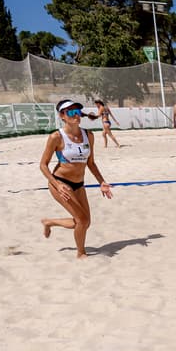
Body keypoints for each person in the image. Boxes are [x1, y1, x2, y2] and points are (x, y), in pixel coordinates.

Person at [39, 100, 113, 258]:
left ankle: (49, 222)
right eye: (71, 112)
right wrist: (57, 185)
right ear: (62, 116)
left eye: (78, 111)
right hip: (61, 183)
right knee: (82, 221)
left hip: (79, 184)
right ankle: (81, 253)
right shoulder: (56, 137)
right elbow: (43, 165)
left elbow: (91, 163)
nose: (76, 115)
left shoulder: (88, 135)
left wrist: (102, 182)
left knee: (85, 222)